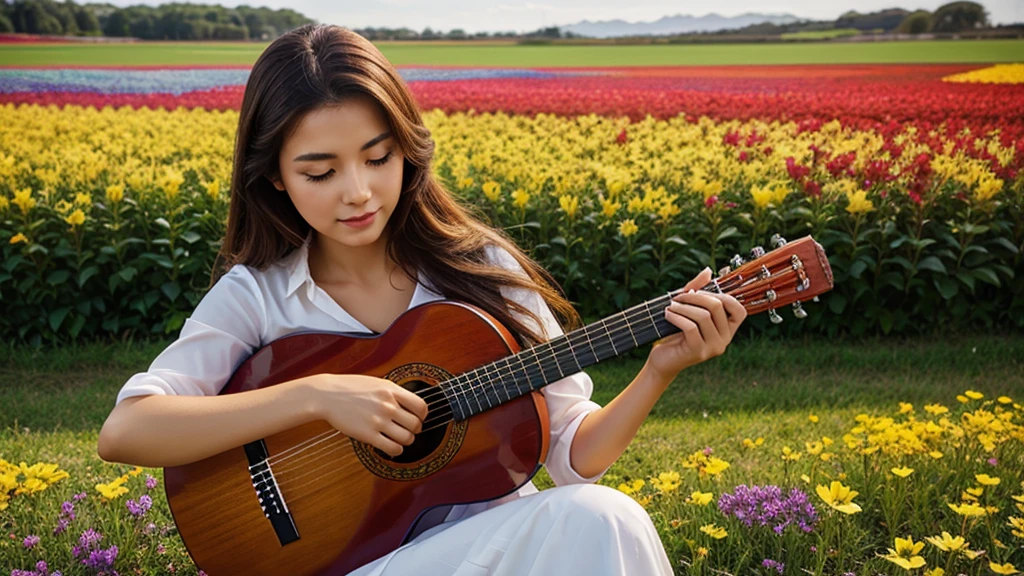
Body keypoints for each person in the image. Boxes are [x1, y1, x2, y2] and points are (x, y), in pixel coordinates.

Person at [96, 23, 747, 576]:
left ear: (407, 150)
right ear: (274, 177)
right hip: (344, 566)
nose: (357, 191)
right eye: (320, 172)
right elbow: (126, 431)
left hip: (484, 554)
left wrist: (659, 369)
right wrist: (316, 395)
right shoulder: (259, 295)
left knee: (604, 514)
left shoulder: (478, 267)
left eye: (378, 158)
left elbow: (575, 459)